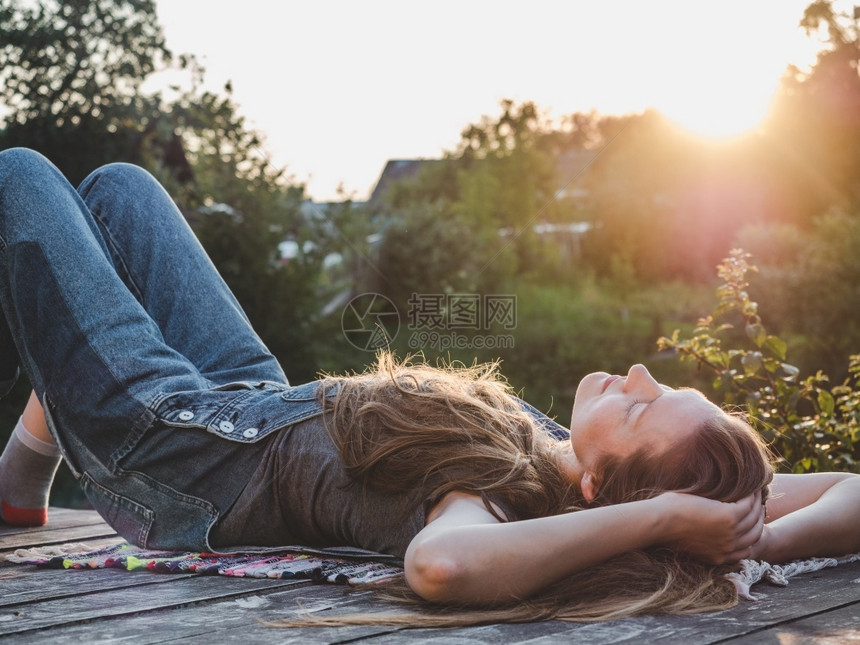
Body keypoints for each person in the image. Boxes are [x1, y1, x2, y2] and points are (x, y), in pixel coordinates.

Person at [0, 147, 857, 625]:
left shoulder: (499, 499)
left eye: (638, 407)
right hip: (248, 399)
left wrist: (668, 518)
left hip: (171, 445)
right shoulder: (560, 455)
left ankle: (47, 445)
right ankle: (25, 467)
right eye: (656, 383)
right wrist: (753, 538)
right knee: (122, 191)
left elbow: (440, 565)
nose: (635, 373)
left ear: (604, 491)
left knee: (22, 178)